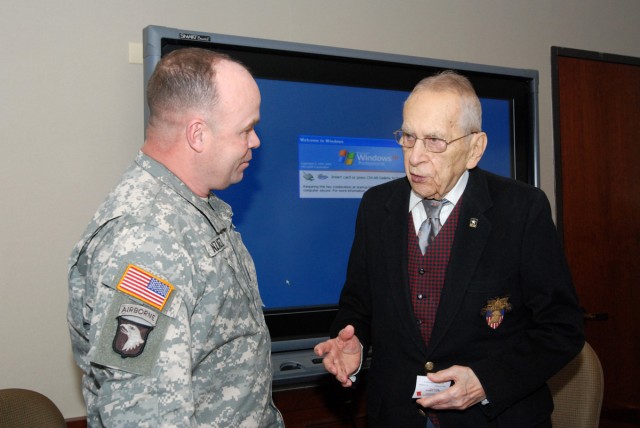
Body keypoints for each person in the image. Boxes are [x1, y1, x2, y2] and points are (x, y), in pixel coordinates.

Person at [314, 70, 584, 427]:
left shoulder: (521, 210)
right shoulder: (377, 206)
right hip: (396, 415)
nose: (415, 157)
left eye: (435, 141)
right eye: (408, 137)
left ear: (475, 149)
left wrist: (486, 381)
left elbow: (561, 328)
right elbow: (358, 305)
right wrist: (353, 342)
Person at [67, 47, 283, 427]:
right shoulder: (149, 241)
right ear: (197, 134)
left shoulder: (191, 209)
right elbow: (142, 413)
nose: (255, 141)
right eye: (246, 129)